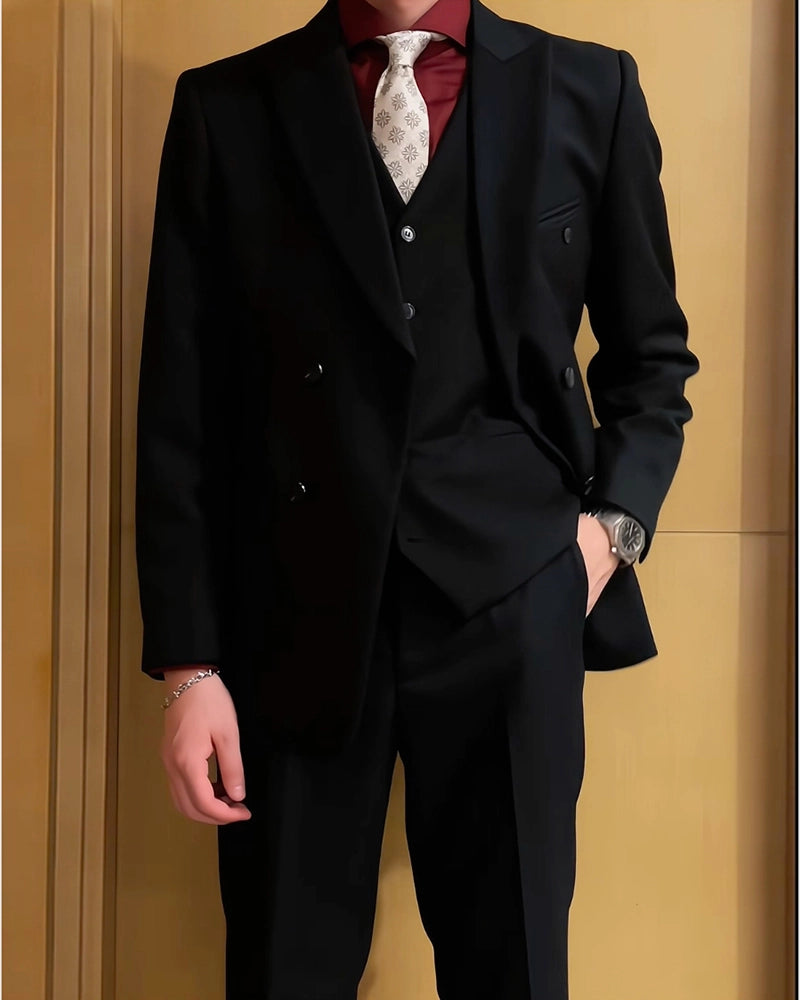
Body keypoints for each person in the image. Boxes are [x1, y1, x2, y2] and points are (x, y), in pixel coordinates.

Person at [134, 0, 699, 996]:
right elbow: (182, 409)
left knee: (514, 973)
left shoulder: (589, 88)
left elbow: (650, 363)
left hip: (513, 607)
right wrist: (189, 667)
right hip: (292, 621)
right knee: (282, 975)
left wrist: (606, 537)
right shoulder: (228, 106)